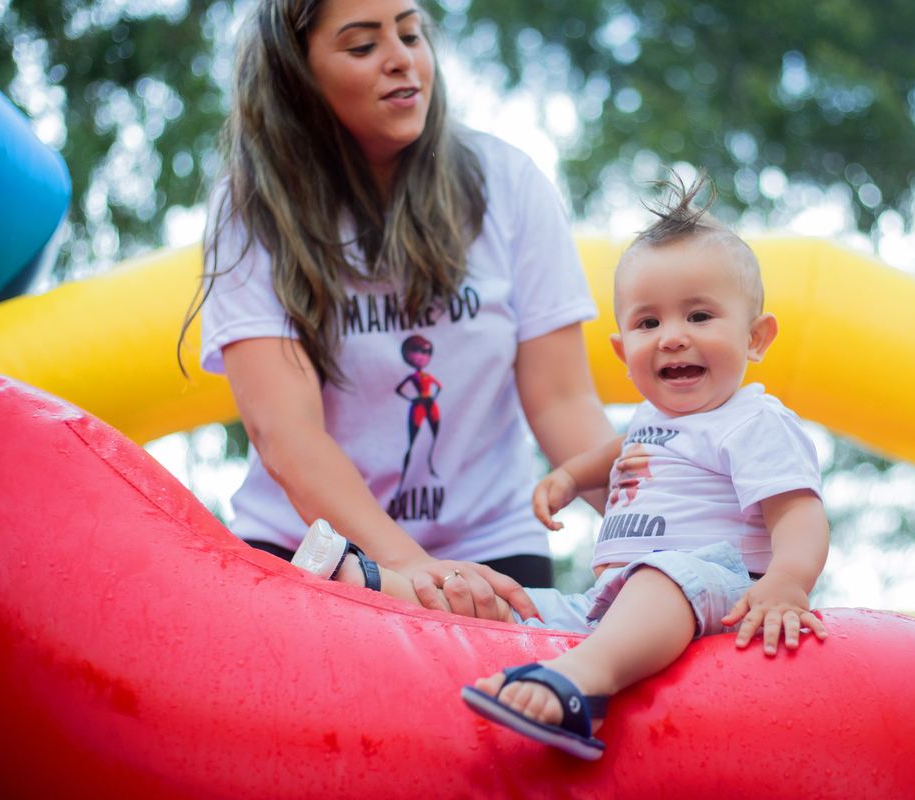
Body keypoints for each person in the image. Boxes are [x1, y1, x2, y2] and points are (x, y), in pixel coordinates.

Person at [295, 174, 831, 760]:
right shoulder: (653, 421)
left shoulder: (752, 419)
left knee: (663, 575)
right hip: (608, 598)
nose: (672, 338)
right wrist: (572, 477)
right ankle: (375, 585)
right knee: (517, 603)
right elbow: (619, 451)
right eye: (648, 323)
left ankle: (583, 686)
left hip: (715, 588)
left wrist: (786, 584)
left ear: (757, 338)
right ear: (623, 353)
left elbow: (799, 513)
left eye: (700, 316)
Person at [190, 0, 616, 620]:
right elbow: (286, 431)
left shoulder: (508, 183)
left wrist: (663, 533)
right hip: (312, 546)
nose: (403, 60)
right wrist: (407, 568)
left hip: (492, 550)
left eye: (411, 34)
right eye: (363, 47)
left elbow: (562, 401)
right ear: (296, 76)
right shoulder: (251, 209)